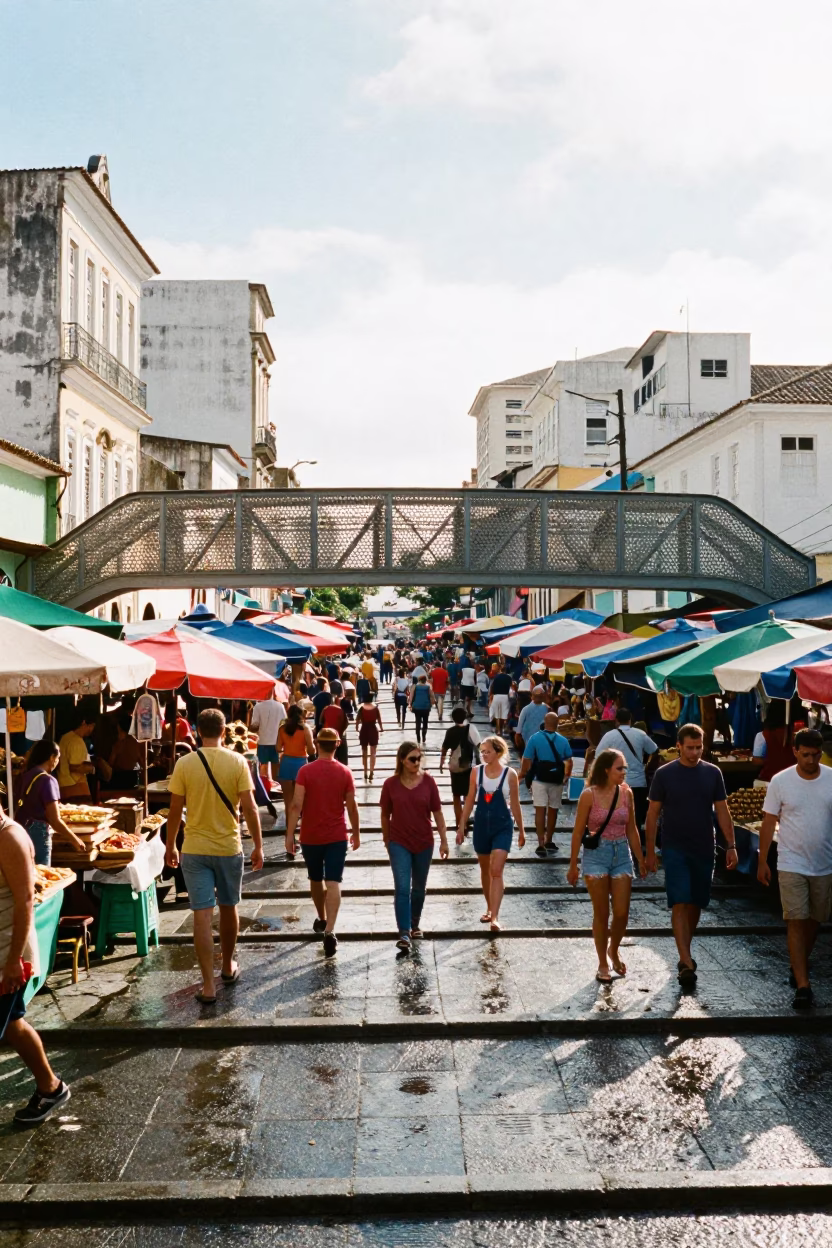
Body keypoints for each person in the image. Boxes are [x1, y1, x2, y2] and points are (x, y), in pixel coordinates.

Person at [165, 709, 264, 1004]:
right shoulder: (238, 761)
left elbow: (174, 811)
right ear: (224, 732)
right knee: (229, 906)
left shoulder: (185, 763)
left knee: (202, 916)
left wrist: (171, 845)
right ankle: (228, 965)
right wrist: (258, 845)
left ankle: (208, 985)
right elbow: (250, 808)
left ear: (198, 732)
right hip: (227, 847)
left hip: (194, 848)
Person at [646, 723, 737, 986]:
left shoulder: (713, 773)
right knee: (680, 900)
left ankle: (685, 949)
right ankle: (686, 961)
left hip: (704, 847)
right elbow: (652, 814)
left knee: (696, 901)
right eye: (690, 748)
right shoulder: (664, 774)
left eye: (699, 747)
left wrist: (730, 845)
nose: (695, 752)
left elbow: (722, 810)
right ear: (679, 747)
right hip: (674, 847)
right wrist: (650, 850)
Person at [0, 807, 71, 1124]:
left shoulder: (9, 837)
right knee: (13, 1024)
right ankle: (51, 1087)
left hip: (5, 954)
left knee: (11, 1022)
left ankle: (51, 1087)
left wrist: (14, 958)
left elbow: (26, 899)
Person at [758, 728, 832, 1009]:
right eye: (806, 755)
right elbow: (768, 821)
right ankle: (803, 985)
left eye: (816, 755)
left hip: (825, 863)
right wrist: (762, 859)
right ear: (795, 752)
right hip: (791, 862)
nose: (811, 761)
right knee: (796, 919)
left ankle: (797, 963)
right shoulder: (781, 781)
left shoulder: (831, 779)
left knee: (816, 919)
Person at [567, 749, 647, 983]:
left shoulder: (626, 793)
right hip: (596, 854)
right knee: (601, 913)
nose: (624, 772)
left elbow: (631, 828)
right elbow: (578, 831)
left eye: (624, 768)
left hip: (621, 852)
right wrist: (573, 864)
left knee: (621, 914)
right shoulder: (588, 795)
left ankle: (614, 949)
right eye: (619, 768)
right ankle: (603, 961)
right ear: (606, 770)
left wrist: (640, 858)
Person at [285, 727, 360, 957]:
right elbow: (351, 805)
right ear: (337, 744)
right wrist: (356, 831)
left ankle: (321, 916)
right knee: (334, 881)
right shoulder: (345, 772)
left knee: (315, 879)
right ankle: (329, 930)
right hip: (337, 835)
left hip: (311, 835)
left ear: (316, 744)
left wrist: (289, 835)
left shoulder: (305, 771)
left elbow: (296, 805)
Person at [381, 742, 449, 951]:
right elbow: (385, 814)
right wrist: (387, 839)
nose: (417, 762)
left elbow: (437, 812)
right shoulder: (390, 784)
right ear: (402, 760)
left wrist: (444, 840)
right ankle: (403, 932)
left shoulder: (428, 781)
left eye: (419, 758)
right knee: (402, 888)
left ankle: (414, 923)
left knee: (418, 888)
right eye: (412, 759)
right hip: (399, 841)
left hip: (424, 841)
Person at [458, 736, 525, 932]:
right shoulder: (476, 773)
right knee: (485, 869)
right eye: (482, 752)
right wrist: (462, 824)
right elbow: (469, 799)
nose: (484, 754)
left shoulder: (510, 774)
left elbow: (515, 803)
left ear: (498, 752)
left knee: (496, 870)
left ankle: (495, 917)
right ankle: (489, 907)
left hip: (502, 826)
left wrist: (521, 829)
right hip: (481, 825)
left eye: (487, 751)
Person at [16, 740, 85, 865]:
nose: (57, 762)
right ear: (51, 758)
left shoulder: (23, 775)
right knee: (41, 877)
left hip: (19, 831)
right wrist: (74, 839)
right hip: (38, 835)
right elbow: (54, 820)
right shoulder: (48, 780)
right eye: (58, 758)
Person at [519, 711, 574, 857]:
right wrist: (566, 776)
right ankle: (549, 839)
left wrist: (523, 774)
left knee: (540, 810)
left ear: (544, 722)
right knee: (553, 810)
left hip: (539, 778)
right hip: (556, 779)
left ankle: (540, 843)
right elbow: (569, 761)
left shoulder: (534, 738)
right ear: (557, 724)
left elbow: (526, 759)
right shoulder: (563, 740)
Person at [597, 707, 658, 834]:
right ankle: (635, 847)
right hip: (638, 783)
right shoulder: (640, 734)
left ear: (616, 721)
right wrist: (647, 767)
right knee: (636, 817)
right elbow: (654, 750)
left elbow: (598, 756)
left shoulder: (609, 736)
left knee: (615, 815)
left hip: (616, 784)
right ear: (630, 720)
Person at [276, 706, 315, 855]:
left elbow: (278, 748)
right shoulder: (305, 728)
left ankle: (289, 837)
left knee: (288, 803)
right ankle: (302, 835)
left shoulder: (282, 728)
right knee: (303, 802)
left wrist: (288, 745)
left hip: (286, 763)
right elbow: (311, 750)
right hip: (301, 765)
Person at [440, 707, 481, 831]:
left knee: (456, 796)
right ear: (465, 717)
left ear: (453, 718)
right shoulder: (471, 729)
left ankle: (459, 823)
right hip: (468, 765)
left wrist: (441, 762)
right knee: (468, 795)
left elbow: (444, 748)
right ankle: (466, 819)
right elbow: (479, 745)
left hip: (454, 767)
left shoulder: (450, 731)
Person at [250, 686, 287, 788]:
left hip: (263, 741)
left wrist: (253, 729)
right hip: (277, 742)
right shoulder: (280, 706)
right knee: (276, 766)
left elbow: (255, 725)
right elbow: (284, 724)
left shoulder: (258, 707)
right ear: (273, 692)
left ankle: (264, 788)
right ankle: (276, 787)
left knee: (263, 766)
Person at [56, 712, 97, 800]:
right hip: (76, 788)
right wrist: (92, 769)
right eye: (91, 725)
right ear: (83, 723)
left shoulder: (65, 737)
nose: (92, 729)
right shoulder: (76, 741)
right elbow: (75, 768)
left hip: (63, 786)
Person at [356, 692, 383, 781]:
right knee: (373, 752)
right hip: (373, 729)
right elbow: (379, 719)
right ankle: (372, 771)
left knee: (364, 752)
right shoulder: (375, 708)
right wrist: (381, 728)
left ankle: (365, 771)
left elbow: (357, 720)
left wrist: (357, 728)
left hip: (364, 730)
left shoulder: (361, 708)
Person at [319, 695, 350, 766]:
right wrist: (341, 733)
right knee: (343, 760)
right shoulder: (341, 710)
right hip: (339, 736)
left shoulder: (325, 709)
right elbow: (346, 723)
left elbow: (320, 721)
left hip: (327, 736)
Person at [515, 686, 547, 751]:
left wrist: (518, 734)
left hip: (536, 737)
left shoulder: (546, 708)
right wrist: (518, 734)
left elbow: (520, 724)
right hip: (531, 737)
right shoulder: (546, 708)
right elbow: (520, 724)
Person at [488, 667, 514, 738]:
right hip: (505, 696)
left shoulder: (496, 677)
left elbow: (492, 686)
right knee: (503, 714)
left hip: (496, 696)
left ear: (500, 670)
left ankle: (498, 729)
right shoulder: (508, 677)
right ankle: (501, 729)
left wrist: (490, 695)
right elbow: (512, 686)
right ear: (505, 671)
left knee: (497, 713)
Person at [409, 675, 434, 745]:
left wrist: (410, 704)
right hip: (426, 708)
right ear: (425, 681)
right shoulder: (428, 687)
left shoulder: (415, 687)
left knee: (417, 721)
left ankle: (418, 738)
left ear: (419, 680)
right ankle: (424, 736)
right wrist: (432, 703)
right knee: (425, 723)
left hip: (417, 707)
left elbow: (411, 696)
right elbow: (432, 697)